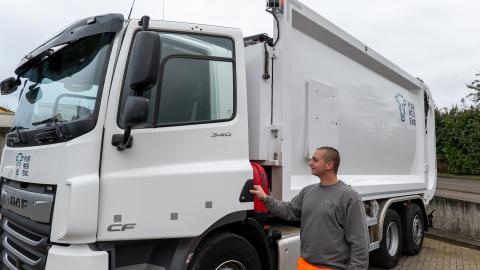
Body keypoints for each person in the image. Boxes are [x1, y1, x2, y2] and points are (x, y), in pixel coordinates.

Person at [250, 146, 369, 270]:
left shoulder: (349, 197)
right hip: (305, 265)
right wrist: (265, 198)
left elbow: (359, 242)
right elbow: (288, 210)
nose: (310, 163)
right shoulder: (307, 191)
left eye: (315, 160)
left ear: (329, 165)